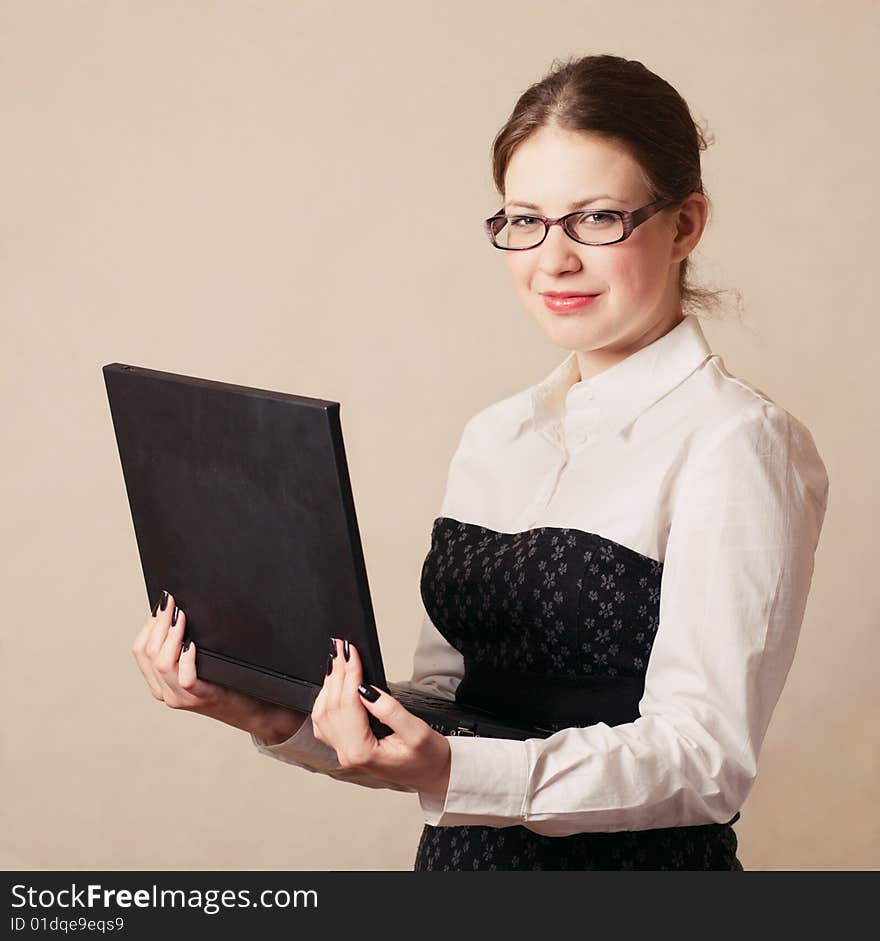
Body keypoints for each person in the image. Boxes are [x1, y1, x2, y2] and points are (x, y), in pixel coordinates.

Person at [132, 53, 830, 871]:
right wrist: (264, 709)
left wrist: (453, 767)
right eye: (524, 219)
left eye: (597, 218)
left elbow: (705, 762)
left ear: (685, 224)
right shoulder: (494, 435)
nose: (553, 258)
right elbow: (438, 718)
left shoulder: (740, 441)